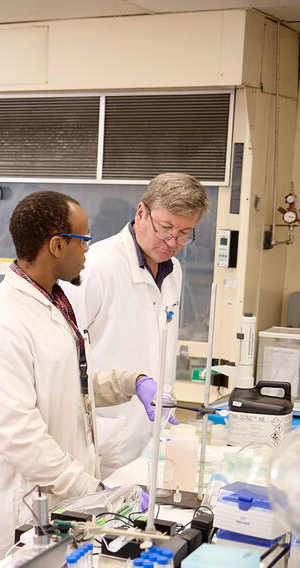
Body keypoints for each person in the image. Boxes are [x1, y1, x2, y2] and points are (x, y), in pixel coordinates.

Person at [0, 191, 169, 568]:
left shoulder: (58, 300)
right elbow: (19, 437)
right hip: (24, 513)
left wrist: (131, 382)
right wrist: (96, 491)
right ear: (58, 245)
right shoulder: (2, 323)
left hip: (63, 500)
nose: (88, 251)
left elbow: (73, 384)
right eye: (84, 240)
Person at [66, 173, 209, 469]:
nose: (173, 241)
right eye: (165, 228)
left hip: (152, 436)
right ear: (141, 212)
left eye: (185, 233)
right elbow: (65, 354)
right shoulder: (95, 266)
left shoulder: (174, 270)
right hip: (109, 432)